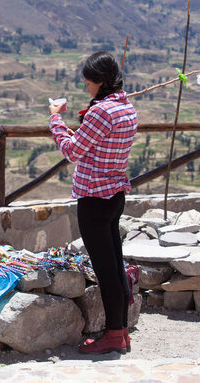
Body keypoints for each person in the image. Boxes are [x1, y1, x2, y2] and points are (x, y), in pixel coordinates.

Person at [48, 51, 138, 355]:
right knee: (115, 264)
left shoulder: (101, 112)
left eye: (89, 83)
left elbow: (73, 151)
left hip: (94, 198)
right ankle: (121, 331)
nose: (87, 88)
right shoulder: (126, 108)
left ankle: (113, 335)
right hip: (115, 194)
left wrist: (55, 119)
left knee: (106, 270)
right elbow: (94, 145)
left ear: (100, 82)